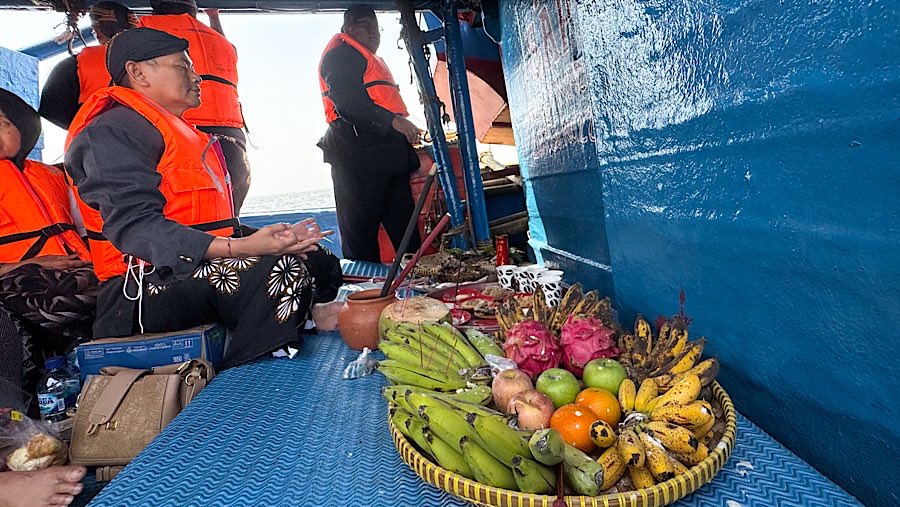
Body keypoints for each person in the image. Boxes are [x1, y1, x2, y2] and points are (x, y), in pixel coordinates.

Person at [64, 28, 343, 370]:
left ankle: (302, 318)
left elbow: (207, 225)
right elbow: (136, 228)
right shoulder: (110, 133)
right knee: (276, 269)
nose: (197, 77)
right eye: (183, 67)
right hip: (137, 290)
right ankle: (253, 371)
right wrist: (244, 248)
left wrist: (276, 237)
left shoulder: (180, 132)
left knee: (317, 257)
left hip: (193, 271)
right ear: (138, 73)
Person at [0, 89, 100, 407]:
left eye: (1, 123)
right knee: (64, 301)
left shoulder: (53, 176)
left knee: (118, 290)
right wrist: (31, 264)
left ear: (25, 127)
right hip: (16, 275)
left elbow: (89, 233)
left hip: (78, 266)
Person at [318, 5, 424, 263]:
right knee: (361, 237)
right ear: (348, 29)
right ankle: (363, 295)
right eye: (366, 25)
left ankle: (416, 291)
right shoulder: (341, 54)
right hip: (356, 156)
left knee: (407, 233)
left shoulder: (369, 59)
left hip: (388, 157)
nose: (374, 33)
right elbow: (346, 101)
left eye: (377, 28)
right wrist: (393, 121)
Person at [139, 0, 252, 214]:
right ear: (193, 9)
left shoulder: (147, 29)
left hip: (185, 138)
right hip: (233, 145)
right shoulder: (222, 43)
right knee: (226, 222)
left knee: (185, 224)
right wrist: (214, 17)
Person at [38, 1, 138, 130]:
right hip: (152, 140)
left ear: (98, 30)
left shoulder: (74, 64)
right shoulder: (157, 61)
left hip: (95, 139)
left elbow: (52, 110)